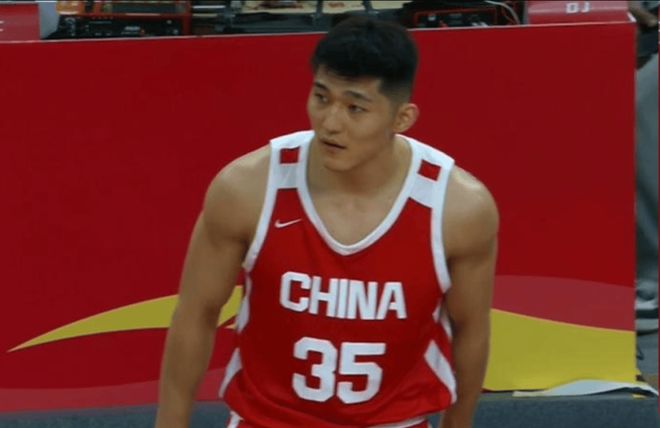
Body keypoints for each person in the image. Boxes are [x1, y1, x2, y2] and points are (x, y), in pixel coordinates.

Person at [155, 16, 498, 428]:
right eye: (321, 98)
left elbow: (471, 330)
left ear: (402, 118)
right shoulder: (247, 188)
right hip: (265, 421)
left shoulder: (459, 209)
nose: (331, 123)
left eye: (355, 108)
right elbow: (196, 314)